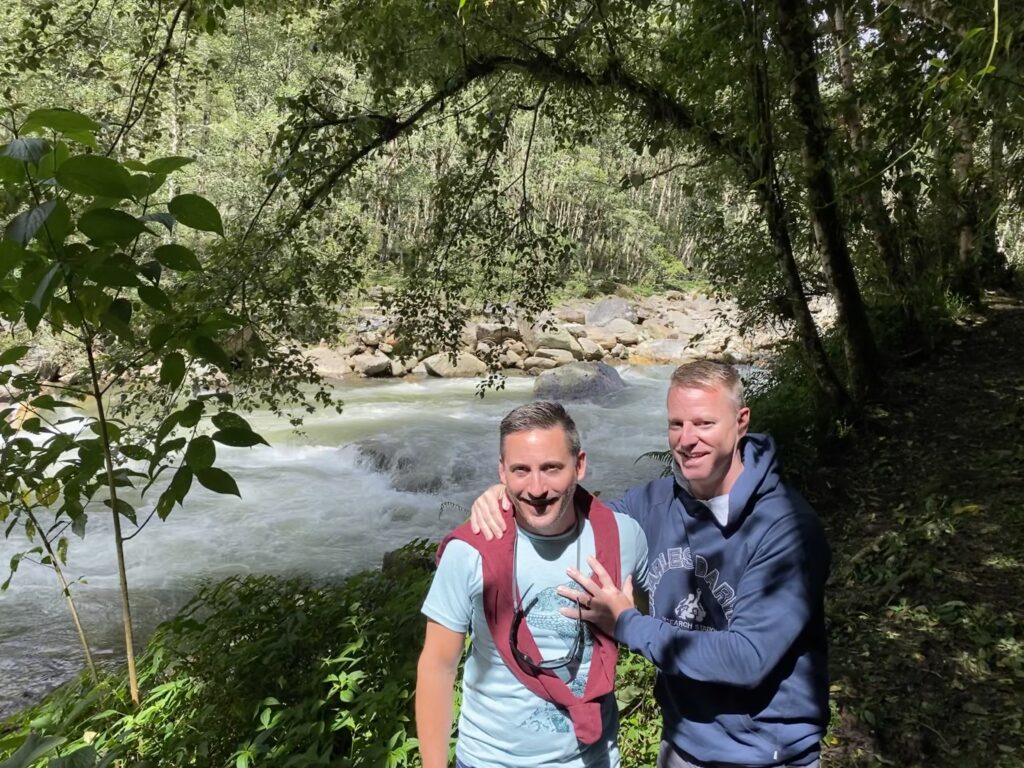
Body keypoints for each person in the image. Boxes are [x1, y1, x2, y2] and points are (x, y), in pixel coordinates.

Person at [471, 361, 831, 768]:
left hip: (767, 755)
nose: (687, 440)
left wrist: (626, 623)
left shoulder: (787, 530)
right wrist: (511, 491)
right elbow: (578, 520)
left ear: (741, 421)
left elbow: (747, 658)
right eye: (676, 424)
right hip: (681, 742)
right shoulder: (654, 504)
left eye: (703, 423)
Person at [416, 401, 649, 768]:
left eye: (551, 468)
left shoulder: (624, 538)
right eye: (520, 470)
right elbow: (437, 665)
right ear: (502, 473)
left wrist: (626, 620)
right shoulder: (471, 550)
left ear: (580, 465)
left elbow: (649, 619)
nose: (536, 488)